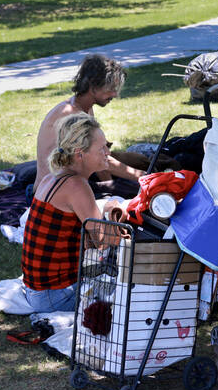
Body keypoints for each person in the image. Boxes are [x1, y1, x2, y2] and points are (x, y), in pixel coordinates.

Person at [22, 113, 114, 313]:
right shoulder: (76, 186)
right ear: (80, 154)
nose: (107, 152)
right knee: (126, 294)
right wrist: (112, 210)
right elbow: (104, 241)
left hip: (37, 291)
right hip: (51, 296)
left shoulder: (54, 177)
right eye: (102, 148)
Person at [34, 54, 144, 198]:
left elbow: (98, 159)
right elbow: (100, 158)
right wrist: (142, 177)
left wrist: (111, 188)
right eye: (111, 88)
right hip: (50, 194)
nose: (115, 94)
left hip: (66, 184)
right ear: (92, 86)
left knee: (129, 186)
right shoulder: (70, 115)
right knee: (135, 191)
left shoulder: (84, 108)